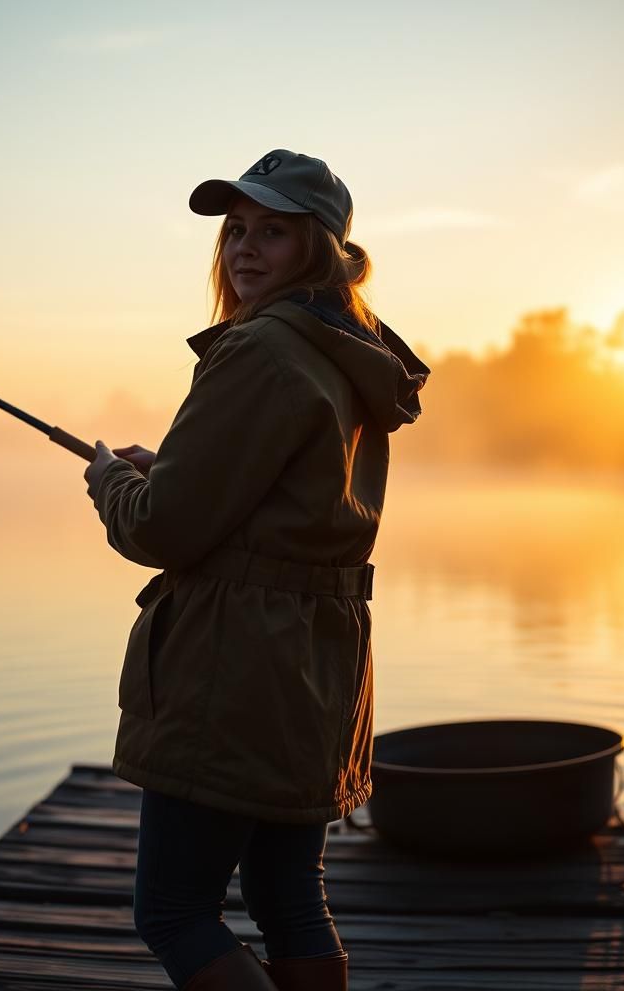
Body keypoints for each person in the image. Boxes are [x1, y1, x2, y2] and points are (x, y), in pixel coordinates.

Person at [83, 149, 429, 990]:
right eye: (235, 230)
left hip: (236, 668)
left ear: (321, 247)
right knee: (287, 891)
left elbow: (163, 529)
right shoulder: (347, 352)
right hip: (317, 662)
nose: (243, 248)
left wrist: (114, 484)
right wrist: (174, 464)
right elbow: (286, 498)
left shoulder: (261, 350)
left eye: (272, 231)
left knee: (173, 910)